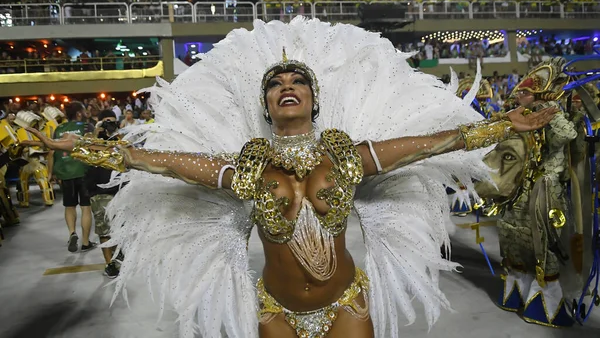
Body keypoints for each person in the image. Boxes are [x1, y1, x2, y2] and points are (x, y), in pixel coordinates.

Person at [22, 18, 557, 338]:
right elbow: (159, 161)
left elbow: (433, 143)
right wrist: (88, 146)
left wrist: (503, 125)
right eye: (275, 82)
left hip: (347, 304)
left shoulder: (347, 156)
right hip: (275, 311)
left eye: (297, 78)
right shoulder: (248, 168)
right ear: (267, 103)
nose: (286, 84)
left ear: (313, 98)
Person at [476, 58, 578, 327]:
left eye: (525, 92)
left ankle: (546, 305)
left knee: (545, 245)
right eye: (519, 92)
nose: (518, 95)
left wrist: (546, 108)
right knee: (513, 239)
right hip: (520, 187)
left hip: (546, 188)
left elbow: (568, 135)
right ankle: (516, 294)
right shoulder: (518, 113)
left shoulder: (551, 113)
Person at [49, 101, 98, 253]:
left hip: (65, 172)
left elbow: (51, 151)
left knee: (69, 205)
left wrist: (51, 173)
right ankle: (85, 242)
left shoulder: (59, 129)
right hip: (83, 171)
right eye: (84, 111)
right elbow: (93, 147)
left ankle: (72, 233)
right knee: (85, 207)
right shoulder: (86, 127)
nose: (86, 114)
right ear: (78, 113)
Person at [88, 110, 123, 278]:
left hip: (121, 191)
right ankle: (110, 264)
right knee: (105, 231)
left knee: (120, 227)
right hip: (100, 191)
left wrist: (119, 133)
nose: (109, 124)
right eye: (106, 122)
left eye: (113, 121)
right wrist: (97, 131)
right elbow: (86, 150)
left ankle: (118, 254)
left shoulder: (120, 139)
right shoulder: (94, 139)